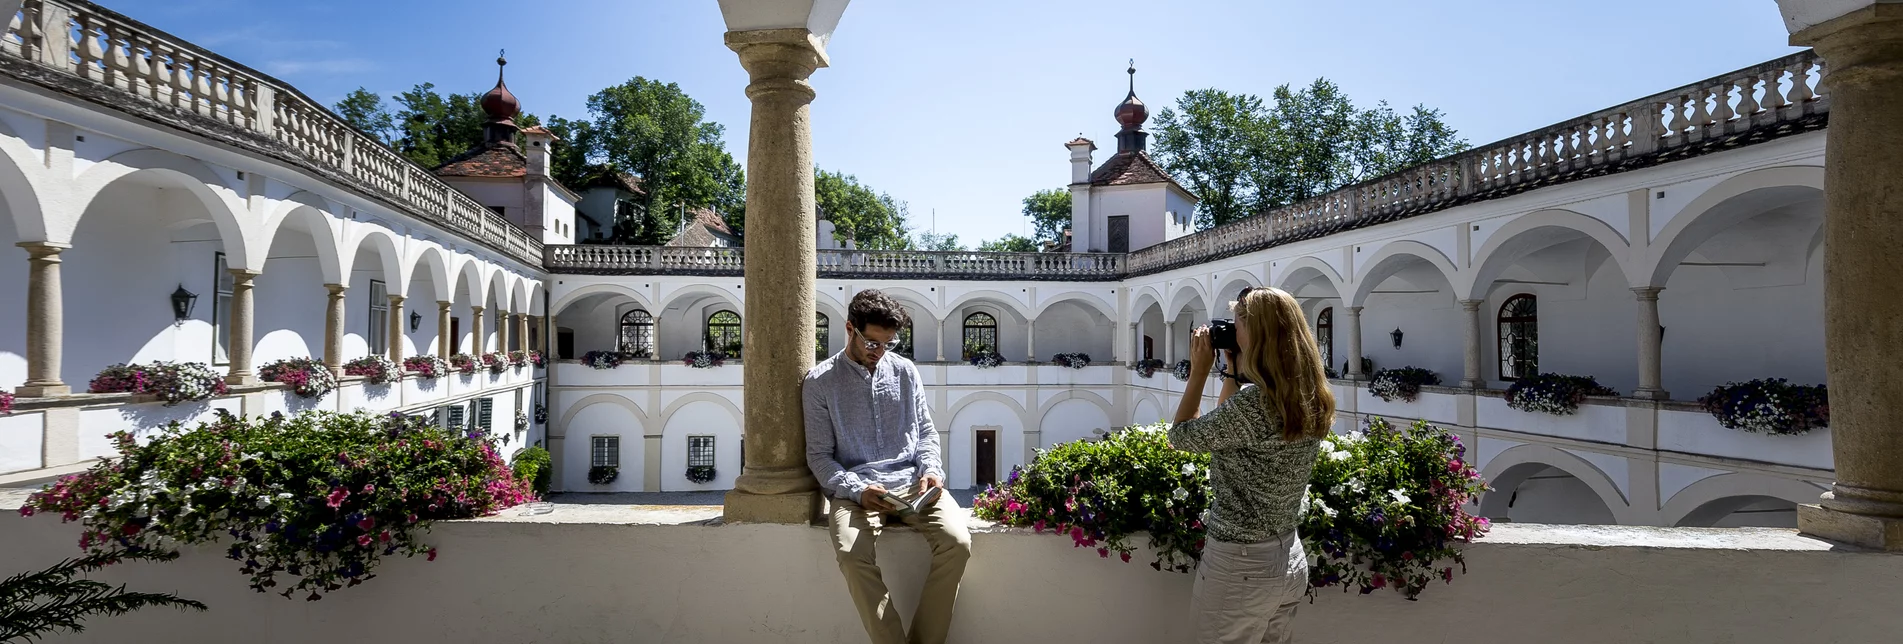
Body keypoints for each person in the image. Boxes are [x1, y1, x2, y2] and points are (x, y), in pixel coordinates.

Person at [1168, 286, 1335, 644]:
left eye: (1239, 324)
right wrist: (1231, 371)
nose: (1233, 331)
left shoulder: (1256, 406)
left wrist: (1198, 373)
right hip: (1287, 557)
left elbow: (1182, 438)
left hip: (1240, 567)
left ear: (1256, 334)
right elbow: (1225, 430)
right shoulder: (1309, 396)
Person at [804, 289, 972, 644]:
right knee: (852, 556)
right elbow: (819, 456)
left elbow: (925, 431)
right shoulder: (820, 382)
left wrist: (931, 470)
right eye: (870, 342)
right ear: (850, 328)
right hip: (857, 491)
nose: (878, 351)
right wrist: (857, 490)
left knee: (957, 543)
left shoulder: (906, 371)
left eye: (887, 344)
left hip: (915, 485)